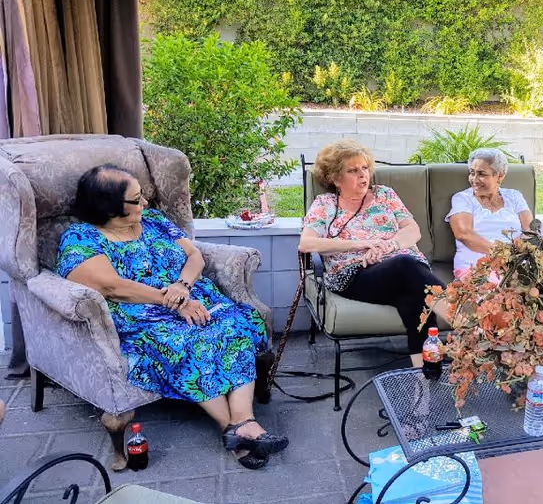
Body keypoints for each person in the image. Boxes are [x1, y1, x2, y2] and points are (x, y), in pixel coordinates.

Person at [58, 165, 286, 470]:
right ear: (109, 207)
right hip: (142, 315)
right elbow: (112, 286)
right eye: (136, 200)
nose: (145, 205)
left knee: (238, 323)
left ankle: (242, 424)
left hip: (193, 296)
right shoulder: (82, 237)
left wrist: (183, 287)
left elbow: (194, 256)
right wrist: (173, 303)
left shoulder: (154, 221)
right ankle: (231, 428)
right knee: (190, 342)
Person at [298, 139, 445, 353]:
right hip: (355, 275)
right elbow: (306, 243)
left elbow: (413, 231)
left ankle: (424, 378)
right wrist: (361, 245)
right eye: (353, 170)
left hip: (400, 266)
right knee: (406, 264)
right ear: (335, 179)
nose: (362, 175)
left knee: (415, 301)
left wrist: (388, 246)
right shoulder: (325, 204)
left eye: (365, 168)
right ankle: (467, 324)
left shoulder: (385, 194)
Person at [446, 148, 534, 279]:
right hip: (476, 268)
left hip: (516, 266)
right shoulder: (462, 198)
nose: (474, 180)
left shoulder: (514, 196)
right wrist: (505, 255)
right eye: (472, 173)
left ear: (500, 176)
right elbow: (464, 234)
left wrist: (514, 259)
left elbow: (531, 231)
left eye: (481, 174)